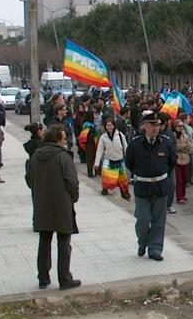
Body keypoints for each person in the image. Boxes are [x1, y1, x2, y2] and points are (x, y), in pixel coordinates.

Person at [26, 124, 81, 290]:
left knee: (44, 241)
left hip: (42, 203)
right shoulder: (63, 157)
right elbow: (72, 182)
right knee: (64, 242)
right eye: (64, 139)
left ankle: (43, 277)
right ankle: (64, 279)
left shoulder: (35, 156)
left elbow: (29, 180)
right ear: (57, 139)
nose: (66, 142)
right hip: (62, 204)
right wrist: (74, 197)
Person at [125, 111, 177, 261]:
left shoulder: (166, 143)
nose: (155, 128)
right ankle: (142, 242)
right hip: (142, 185)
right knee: (142, 219)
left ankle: (155, 249)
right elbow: (130, 162)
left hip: (160, 185)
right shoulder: (135, 144)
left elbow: (171, 162)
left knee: (159, 220)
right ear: (144, 126)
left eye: (158, 125)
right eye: (152, 125)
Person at [94, 118, 131, 199]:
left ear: (114, 126)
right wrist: (97, 163)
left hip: (120, 160)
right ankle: (105, 189)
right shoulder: (103, 137)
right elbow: (99, 150)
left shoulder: (120, 135)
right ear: (105, 127)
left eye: (111, 125)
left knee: (123, 180)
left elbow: (126, 147)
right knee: (106, 177)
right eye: (107, 125)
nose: (109, 127)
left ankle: (125, 194)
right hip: (108, 160)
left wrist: (129, 159)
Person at [172, 118, 193, 204]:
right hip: (177, 161)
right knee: (179, 180)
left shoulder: (186, 136)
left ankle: (183, 194)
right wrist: (182, 147)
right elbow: (174, 147)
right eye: (179, 126)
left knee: (185, 179)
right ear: (175, 127)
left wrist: (180, 147)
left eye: (182, 126)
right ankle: (179, 196)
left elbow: (189, 148)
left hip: (186, 159)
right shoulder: (173, 136)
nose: (181, 128)